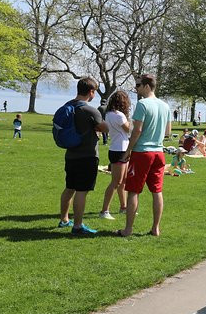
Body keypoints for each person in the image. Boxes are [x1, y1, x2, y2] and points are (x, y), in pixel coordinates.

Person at [118, 74, 172, 237]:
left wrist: (127, 152)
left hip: (142, 153)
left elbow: (137, 131)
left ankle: (128, 229)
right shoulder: (165, 106)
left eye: (138, 85)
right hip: (159, 153)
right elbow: (168, 132)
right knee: (157, 191)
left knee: (133, 190)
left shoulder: (142, 104)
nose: (137, 88)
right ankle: (155, 228)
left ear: (147, 86)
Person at [57, 78, 108, 236]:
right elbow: (105, 128)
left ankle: (64, 219)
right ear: (91, 92)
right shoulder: (90, 110)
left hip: (71, 154)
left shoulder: (67, 106)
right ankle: (78, 226)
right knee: (82, 191)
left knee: (69, 187)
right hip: (87, 156)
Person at [99, 90, 133, 220]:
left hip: (118, 148)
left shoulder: (108, 114)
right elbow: (128, 129)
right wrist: (132, 121)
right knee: (116, 182)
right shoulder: (119, 115)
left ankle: (123, 207)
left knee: (123, 181)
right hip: (119, 150)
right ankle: (104, 211)